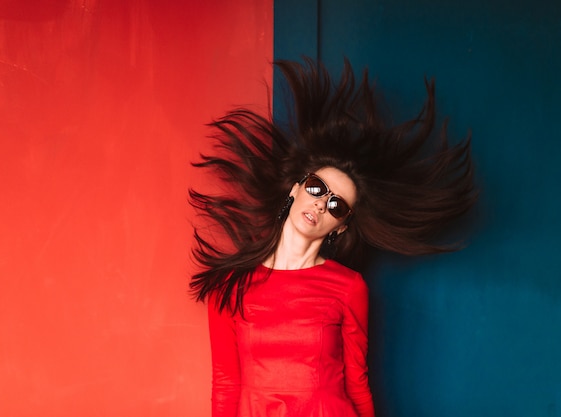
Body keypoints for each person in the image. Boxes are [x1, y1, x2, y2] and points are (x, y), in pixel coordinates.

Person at [189, 58, 476, 417]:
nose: (322, 204)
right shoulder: (230, 286)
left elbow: (357, 382)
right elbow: (226, 384)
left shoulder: (349, 286)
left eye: (337, 204)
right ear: (295, 190)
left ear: (341, 226)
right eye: (316, 187)